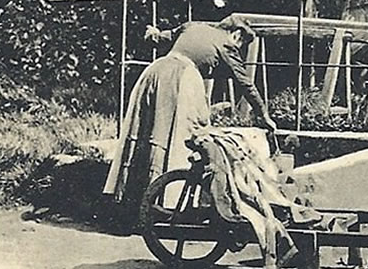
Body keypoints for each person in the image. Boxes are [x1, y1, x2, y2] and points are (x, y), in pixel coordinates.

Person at [103, 14, 277, 228]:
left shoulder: (193, 26)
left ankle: (133, 203)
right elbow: (245, 84)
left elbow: (159, 37)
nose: (240, 46)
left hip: (154, 72)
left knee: (145, 131)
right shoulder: (226, 44)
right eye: (242, 42)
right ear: (236, 34)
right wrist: (264, 115)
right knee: (182, 137)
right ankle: (168, 203)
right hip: (181, 78)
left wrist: (151, 33)